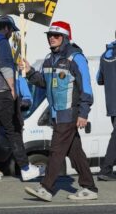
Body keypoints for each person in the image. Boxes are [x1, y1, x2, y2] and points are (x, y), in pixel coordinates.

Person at [22, 21, 98, 201]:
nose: (52, 38)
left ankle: (46, 188)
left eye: (56, 36)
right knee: (75, 153)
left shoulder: (76, 58)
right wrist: (30, 72)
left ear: (65, 37)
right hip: (56, 115)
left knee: (56, 150)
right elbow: (43, 83)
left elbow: (86, 88)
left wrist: (83, 113)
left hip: (69, 113)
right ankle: (89, 187)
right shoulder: (49, 59)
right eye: (50, 35)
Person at [0, 15, 42, 182]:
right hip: (0, 92)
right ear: (6, 28)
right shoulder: (1, 42)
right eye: (11, 30)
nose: (11, 33)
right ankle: (26, 169)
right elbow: (5, 67)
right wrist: (12, 88)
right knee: (13, 130)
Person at [96, 39, 116, 181]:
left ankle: (106, 169)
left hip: (112, 104)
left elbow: (99, 79)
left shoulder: (105, 54)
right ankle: (106, 169)